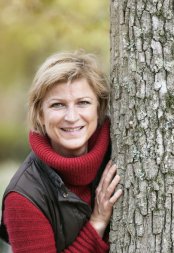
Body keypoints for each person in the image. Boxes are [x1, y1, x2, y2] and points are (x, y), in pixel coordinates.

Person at [0, 51, 123, 252]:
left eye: (83, 102)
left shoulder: (118, 150)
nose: (72, 117)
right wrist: (97, 222)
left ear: (99, 108)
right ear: (40, 114)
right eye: (58, 105)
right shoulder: (24, 197)